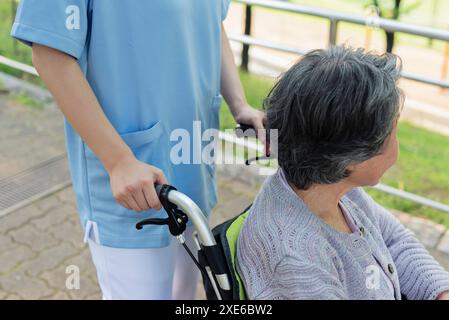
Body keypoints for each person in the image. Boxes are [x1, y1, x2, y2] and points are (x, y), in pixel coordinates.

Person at [11, 0, 265, 300]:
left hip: (193, 167)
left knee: (184, 294)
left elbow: (212, 24)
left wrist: (239, 103)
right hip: (132, 184)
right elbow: (49, 53)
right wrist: (119, 161)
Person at [236, 46, 449, 300]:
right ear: (349, 160)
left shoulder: (335, 190)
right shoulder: (295, 261)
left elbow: (393, 239)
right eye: (393, 131)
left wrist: (440, 293)